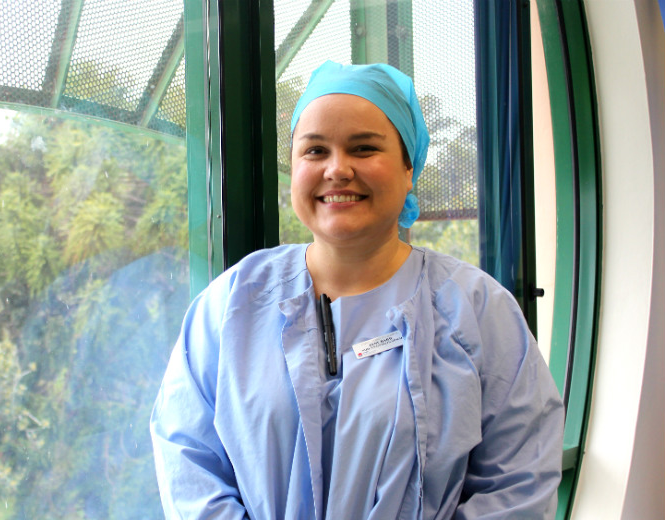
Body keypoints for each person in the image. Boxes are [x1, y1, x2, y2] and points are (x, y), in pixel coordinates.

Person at [150, 61, 564, 519]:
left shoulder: (477, 311)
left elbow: (520, 479)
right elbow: (188, 459)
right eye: (315, 151)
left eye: (364, 148)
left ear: (410, 168)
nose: (337, 170)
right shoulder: (232, 303)